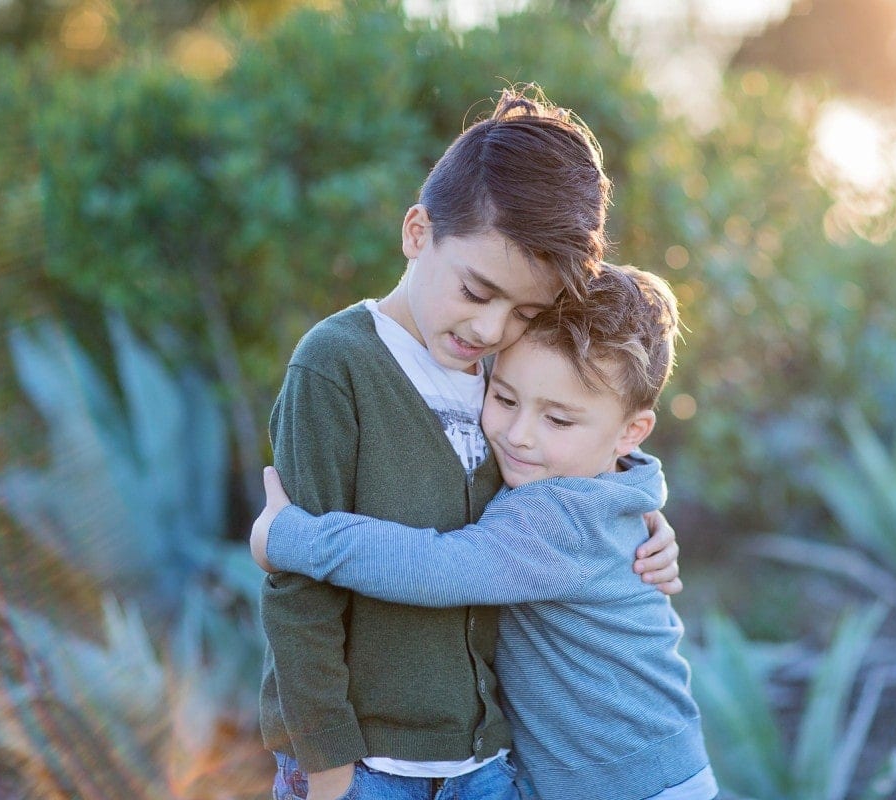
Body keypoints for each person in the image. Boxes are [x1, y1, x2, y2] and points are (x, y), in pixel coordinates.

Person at [260, 85, 682, 800]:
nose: (490, 328)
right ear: (418, 232)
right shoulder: (336, 364)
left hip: (483, 765)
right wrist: (326, 766)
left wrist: (637, 515)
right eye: (476, 290)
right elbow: (298, 593)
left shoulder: (503, 379)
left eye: (524, 310)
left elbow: (556, 482)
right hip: (365, 769)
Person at [253, 263, 717, 800]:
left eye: (558, 420)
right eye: (504, 398)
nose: (519, 436)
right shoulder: (612, 489)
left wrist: (294, 538)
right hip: (657, 771)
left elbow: (439, 567)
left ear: (630, 432)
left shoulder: (558, 512)